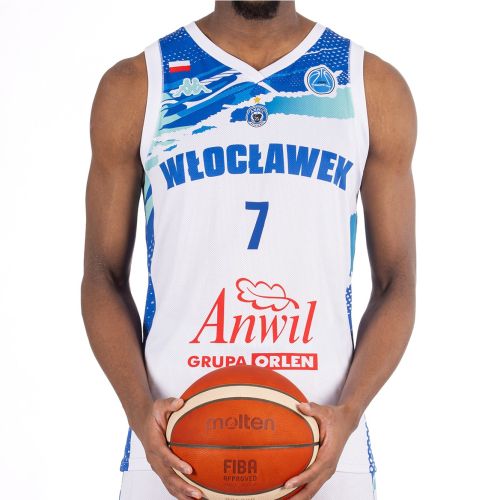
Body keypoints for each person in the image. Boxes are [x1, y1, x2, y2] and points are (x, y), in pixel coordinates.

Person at [81, 1, 417, 498]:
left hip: (325, 450)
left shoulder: (369, 86)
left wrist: (349, 413)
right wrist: (137, 411)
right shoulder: (139, 85)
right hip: (171, 450)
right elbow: (102, 276)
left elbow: (397, 283)